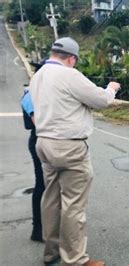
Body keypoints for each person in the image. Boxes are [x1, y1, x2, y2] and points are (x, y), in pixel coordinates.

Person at [29, 37, 121, 266]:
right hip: (68, 146)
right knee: (74, 204)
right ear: (71, 59)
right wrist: (110, 89)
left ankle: (51, 252)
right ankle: (76, 260)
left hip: (44, 143)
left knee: (51, 198)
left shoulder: (38, 76)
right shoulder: (69, 75)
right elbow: (100, 100)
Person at [21, 81, 44, 242]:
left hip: (37, 139)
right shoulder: (30, 95)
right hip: (40, 140)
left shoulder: (31, 92)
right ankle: (38, 229)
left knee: (42, 185)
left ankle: (40, 228)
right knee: (42, 185)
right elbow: (38, 123)